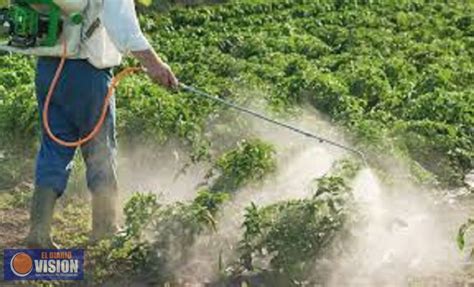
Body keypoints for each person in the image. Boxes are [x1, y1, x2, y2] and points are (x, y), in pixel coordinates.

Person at [26, 0, 178, 248]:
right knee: (100, 150)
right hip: (87, 74)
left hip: (48, 68)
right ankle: (105, 226)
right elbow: (124, 27)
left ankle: (38, 231)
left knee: (53, 147)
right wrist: (155, 65)